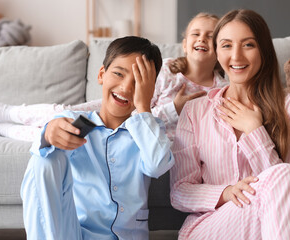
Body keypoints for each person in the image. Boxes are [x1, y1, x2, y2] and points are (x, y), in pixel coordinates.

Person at [170, 9, 290, 240]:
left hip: (265, 224)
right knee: (286, 173)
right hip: (208, 227)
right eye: (226, 45)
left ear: (263, 50)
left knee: (287, 174)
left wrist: (255, 131)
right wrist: (226, 193)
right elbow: (179, 192)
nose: (236, 56)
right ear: (217, 51)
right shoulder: (195, 111)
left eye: (248, 45)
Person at [20, 36, 175, 240]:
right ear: (102, 74)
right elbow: (45, 149)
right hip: (74, 234)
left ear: (149, 91)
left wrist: (144, 108)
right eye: (119, 74)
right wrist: (49, 133)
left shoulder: (148, 130)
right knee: (45, 157)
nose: (126, 88)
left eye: (138, 83)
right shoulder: (73, 123)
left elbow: (157, 165)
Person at [0, 12, 228, 142]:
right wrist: (173, 109)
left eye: (210, 36)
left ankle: (4, 129)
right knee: (64, 113)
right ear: (185, 44)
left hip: (142, 137)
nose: (202, 39)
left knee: (65, 134)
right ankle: (6, 112)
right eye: (196, 34)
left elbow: (146, 126)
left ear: (221, 48)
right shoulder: (167, 70)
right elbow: (138, 108)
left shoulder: (219, 91)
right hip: (121, 110)